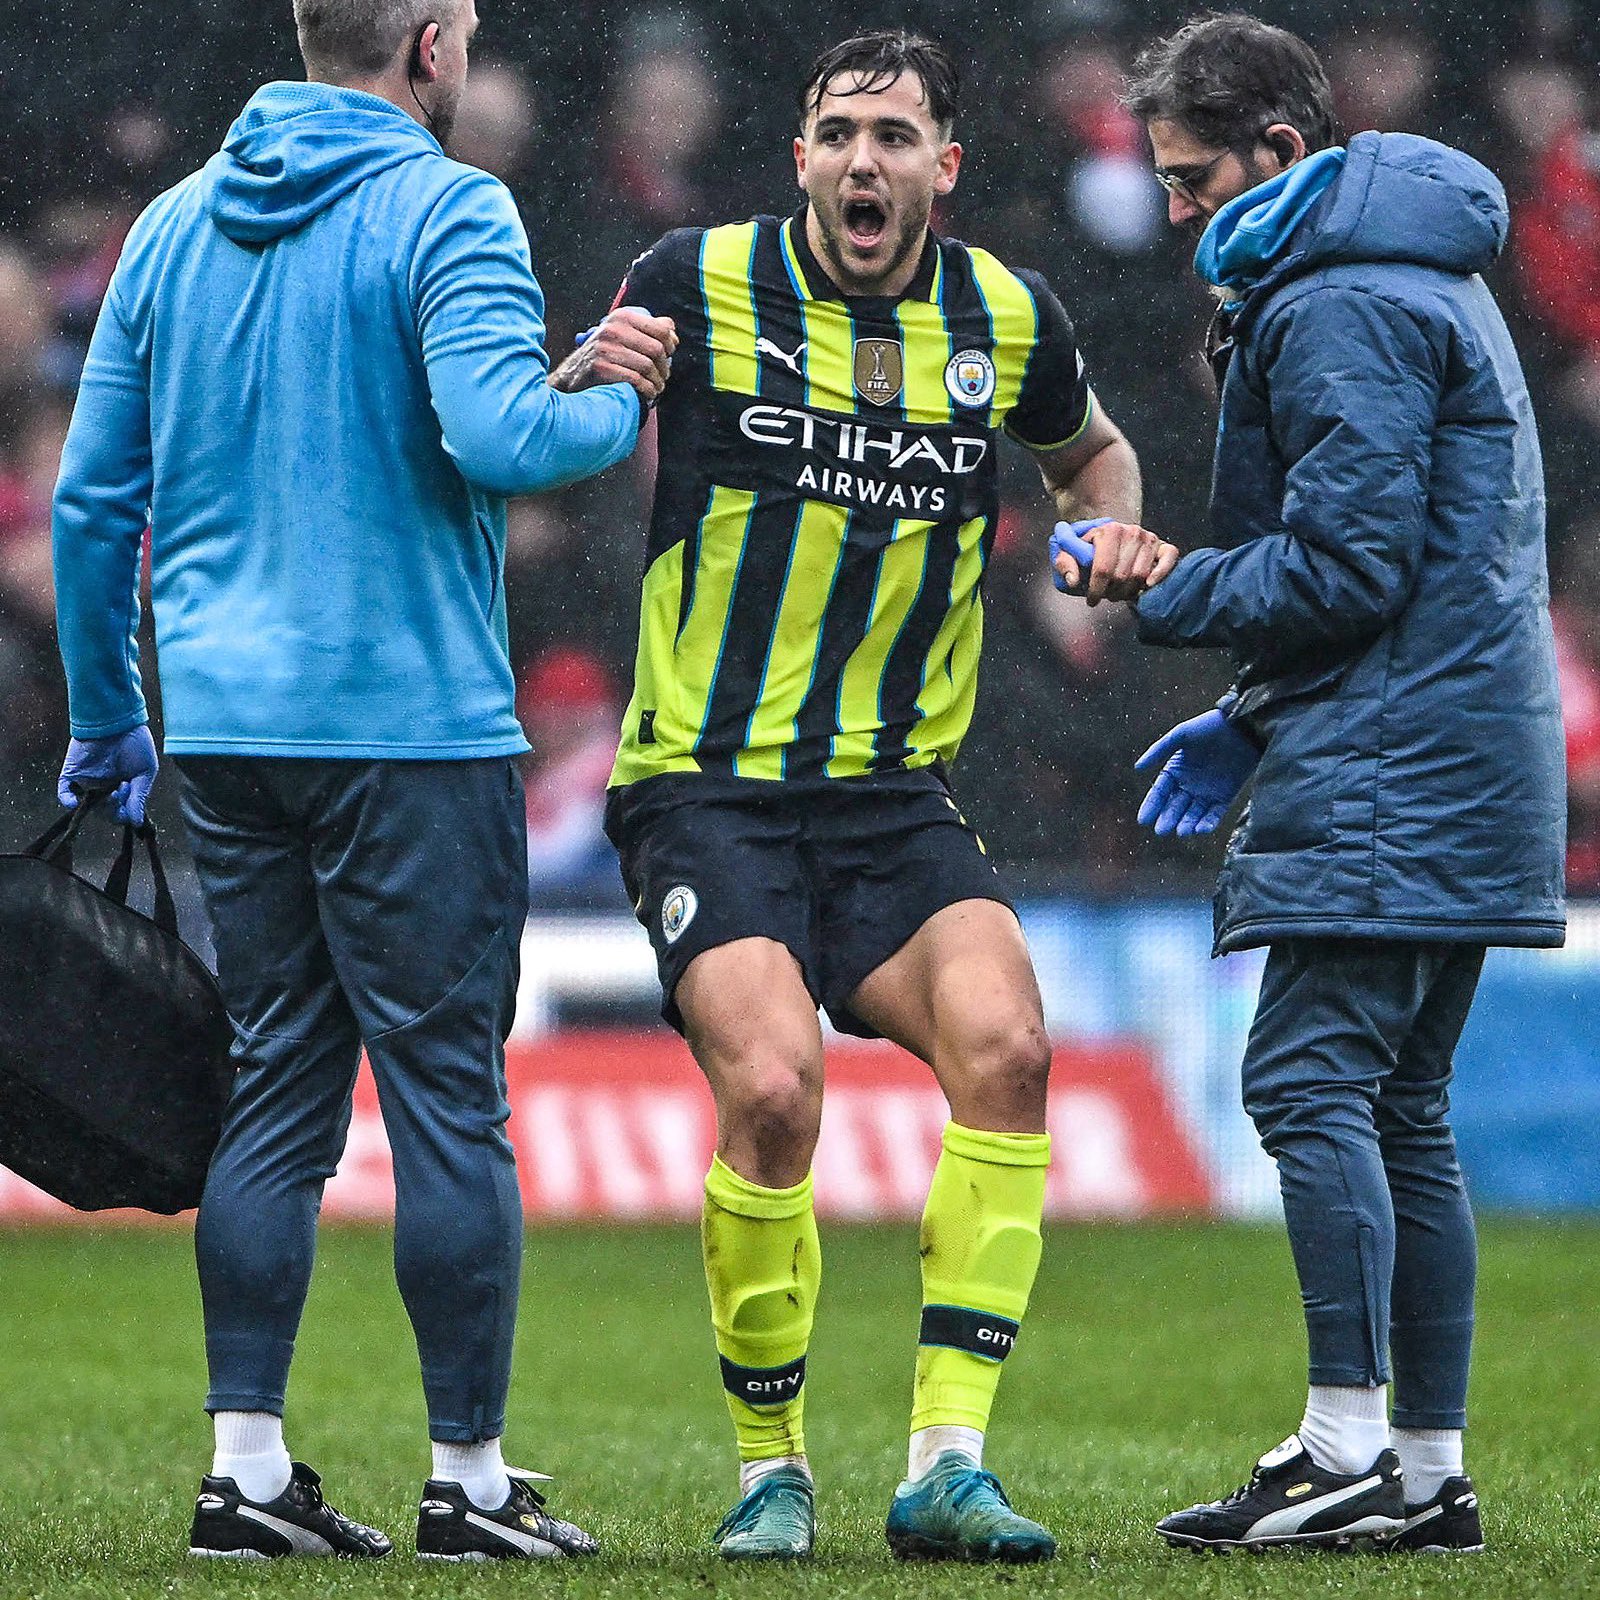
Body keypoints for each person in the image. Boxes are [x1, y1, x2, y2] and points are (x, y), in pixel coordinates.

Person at [51, 0, 675, 1563]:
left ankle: (245, 1473)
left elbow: (87, 504)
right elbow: (502, 440)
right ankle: (469, 1482)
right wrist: (614, 390)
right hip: (408, 727)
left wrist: (106, 718)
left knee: (274, 1093)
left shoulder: (176, 224)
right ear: (437, 48)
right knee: (448, 1105)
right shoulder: (450, 203)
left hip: (226, 731)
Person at [579, 28, 1176, 1563]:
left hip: (892, 798)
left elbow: (1093, 457)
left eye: (896, 138)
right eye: (839, 133)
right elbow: (558, 422)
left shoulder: (1005, 317)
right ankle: (770, 1468)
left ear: (945, 170)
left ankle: (945, 1466)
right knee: (774, 1090)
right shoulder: (690, 278)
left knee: (1014, 1050)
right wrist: (577, 382)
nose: (864, 161)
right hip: (703, 786)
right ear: (799, 157)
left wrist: (1105, 533)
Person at [1119, 11, 1566, 1556]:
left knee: (1310, 1084)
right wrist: (1253, 713)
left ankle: (1345, 1449)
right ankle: (1425, 1467)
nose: (1177, 210)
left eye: (1191, 179)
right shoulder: (1424, 273)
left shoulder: (1337, 303)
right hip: (1466, 746)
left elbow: (1346, 564)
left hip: (1393, 761)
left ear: (1280, 155)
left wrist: (1164, 586)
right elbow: (1418, 560)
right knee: (1409, 1110)